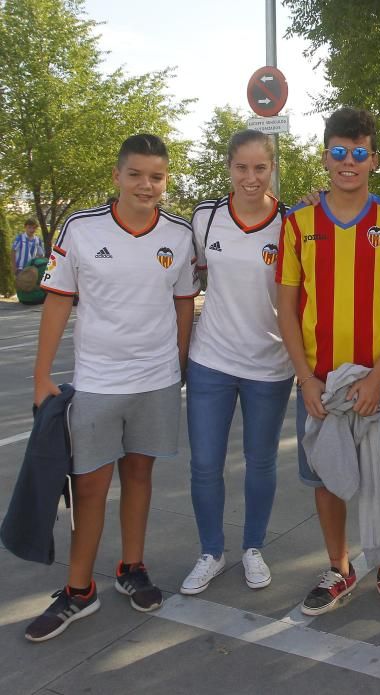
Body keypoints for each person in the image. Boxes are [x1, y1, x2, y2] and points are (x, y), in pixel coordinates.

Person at [25, 134, 198, 642]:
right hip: (98, 382)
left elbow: (184, 301)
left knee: (139, 476)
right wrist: (40, 377)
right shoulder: (81, 229)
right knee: (90, 487)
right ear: (118, 176)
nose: (147, 185)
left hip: (156, 380)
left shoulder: (179, 234)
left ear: (166, 180)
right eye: (137, 174)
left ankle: (132, 567)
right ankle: (79, 591)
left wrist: (181, 361)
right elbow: (58, 300)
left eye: (157, 176)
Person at [275, 107, 380, 621]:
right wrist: (306, 378)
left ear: (373, 160)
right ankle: (339, 568)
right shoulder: (297, 223)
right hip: (319, 383)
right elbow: (287, 308)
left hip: (374, 382)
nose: (348, 162)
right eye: (339, 151)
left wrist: (379, 377)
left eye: (359, 153)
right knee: (324, 478)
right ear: (325, 156)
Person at [179, 130, 294, 595]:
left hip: (270, 364)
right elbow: (187, 280)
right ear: (228, 167)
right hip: (211, 361)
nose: (250, 177)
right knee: (205, 463)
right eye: (242, 167)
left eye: (260, 168)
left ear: (272, 170)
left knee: (260, 461)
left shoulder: (291, 223)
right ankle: (211, 550)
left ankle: (252, 548)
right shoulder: (205, 219)